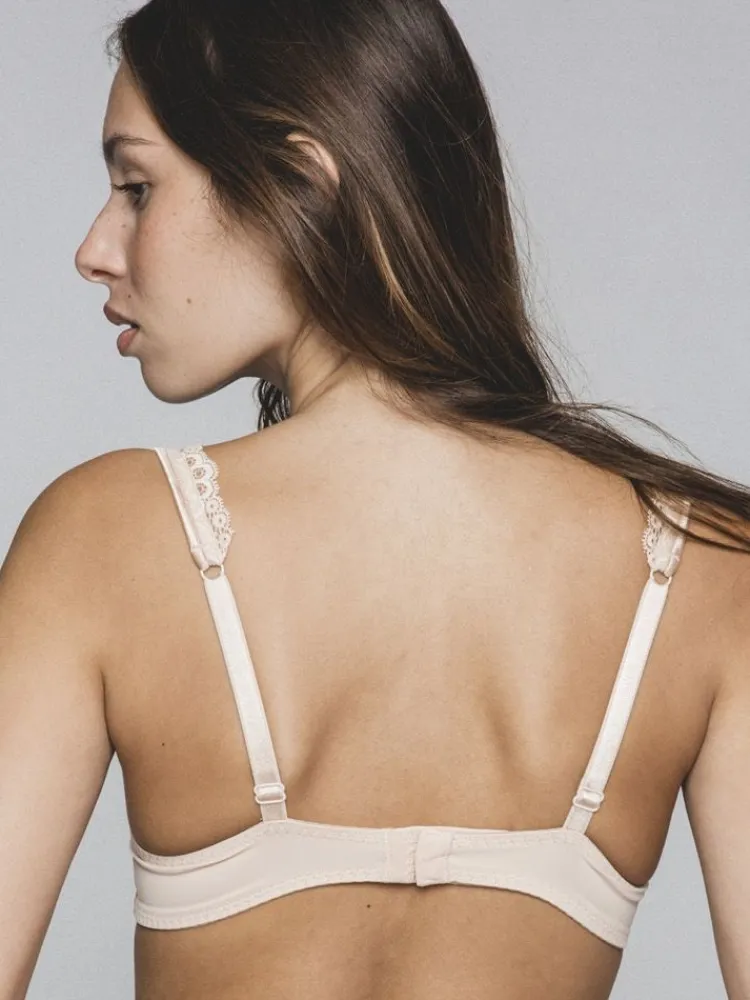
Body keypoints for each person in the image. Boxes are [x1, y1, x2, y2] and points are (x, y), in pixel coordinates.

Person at [1, 2, 749, 998]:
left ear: (305, 181)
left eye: (138, 187)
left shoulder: (105, 539)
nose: (96, 248)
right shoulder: (706, 569)